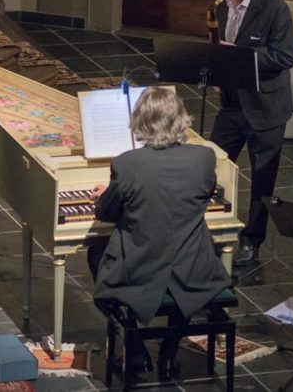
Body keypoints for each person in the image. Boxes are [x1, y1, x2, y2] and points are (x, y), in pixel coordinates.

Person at [88, 87, 231, 380]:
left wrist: (107, 193)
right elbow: (204, 193)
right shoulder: (204, 158)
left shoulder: (127, 163)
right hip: (193, 268)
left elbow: (106, 214)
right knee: (187, 280)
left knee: (96, 255)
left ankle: (137, 350)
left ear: (141, 121)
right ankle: (169, 350)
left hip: (139, 269)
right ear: (180, 118)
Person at [210, 0, 293, 266]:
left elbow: (285, 57)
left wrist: (239, 58)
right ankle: (213, 227)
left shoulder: (273, 8)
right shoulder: (220, 5)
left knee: (262, 179)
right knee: (215, 166)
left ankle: (253, 242)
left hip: (266, 108)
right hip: (232, 105)